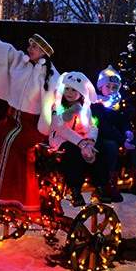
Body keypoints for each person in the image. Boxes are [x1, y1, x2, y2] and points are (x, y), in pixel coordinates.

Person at [0, 16, 59, 214]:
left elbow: (53, 106)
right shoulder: (19, 61)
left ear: (44, 51)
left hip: (31, 125)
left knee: (13, 145)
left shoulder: (50, 76)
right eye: (30, 44)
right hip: (11, 119)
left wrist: (47, 131)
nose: (30, 48)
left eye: (35, 46)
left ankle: (14, 200)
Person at [48, 72, 106, 207]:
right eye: (67, 88)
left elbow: (92, 126)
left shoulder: (85, 109)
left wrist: (90, 141)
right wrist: (80, 143)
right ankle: (75, 189)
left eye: (74, 89)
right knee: (73, 152)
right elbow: (60, 127)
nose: (69, 92)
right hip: (61, 140)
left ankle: (100, 185)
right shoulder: (57, 107)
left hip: (84, 141)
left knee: (99, 150)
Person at [90, 65, 136, 200]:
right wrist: (122, 141)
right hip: (102, 137)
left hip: (119, 137)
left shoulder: (119, 104)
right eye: (108, 86)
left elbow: (123, 121)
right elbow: (104, 127)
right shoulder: (96, 104)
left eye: (115, 87)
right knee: (111, 147)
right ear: (101, 87)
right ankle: (110, 183)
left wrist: (127, 132)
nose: (111, 90)